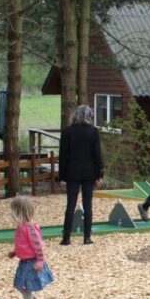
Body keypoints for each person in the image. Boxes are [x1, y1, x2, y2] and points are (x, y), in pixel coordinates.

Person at [58, 104, 104, 245]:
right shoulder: (93, 132)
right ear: (89, 116)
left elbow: (63, 156)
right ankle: (87, 237)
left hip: (72, 173)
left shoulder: (67, 132)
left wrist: (62, 176)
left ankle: (66, 238)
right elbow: (97, 155)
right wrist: (99, 174)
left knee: (70, 205)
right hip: (89, 173)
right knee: (88, 205)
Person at [7, 195, 54, 299]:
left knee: (25, 287)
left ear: (18, 212)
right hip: (23, 262)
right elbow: (23, 244)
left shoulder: (30, 228)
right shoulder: (20, 226)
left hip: (31, 262)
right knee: (20, 285)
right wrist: (15, 252)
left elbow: (38, 245)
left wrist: (40, 261)